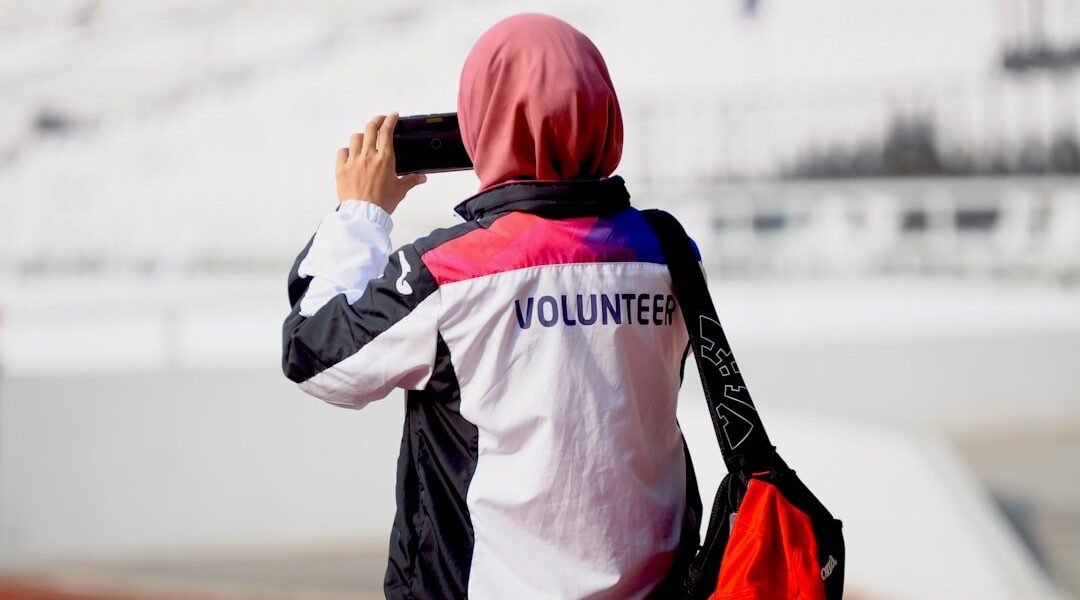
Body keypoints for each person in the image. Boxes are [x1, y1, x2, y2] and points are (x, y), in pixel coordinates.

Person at [281, 13, 701, 599]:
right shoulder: (672, 254)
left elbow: (315, 354)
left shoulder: (450, 273)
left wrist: (361, 214)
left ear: (484, 125)